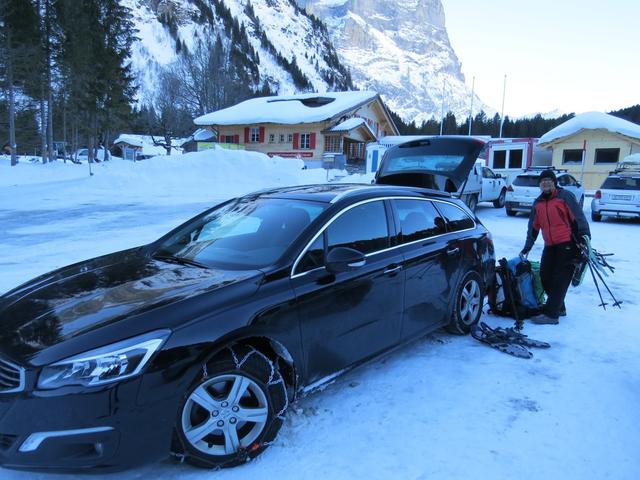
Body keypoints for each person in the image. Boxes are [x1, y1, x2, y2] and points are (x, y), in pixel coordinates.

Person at [519, 169, 591, 324]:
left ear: (554, 182)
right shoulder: (538, 203)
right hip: (550, 245)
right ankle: (559, 307)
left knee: (560, 278)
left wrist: (584, 238)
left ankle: (552, 315)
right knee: (545, 275)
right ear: (540, 185)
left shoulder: (565, 196)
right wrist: (527, 246)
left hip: (568, 243)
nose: (546, 183)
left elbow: (579, 217)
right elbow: (533, 227)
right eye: (543, 181)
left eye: (549, 180)